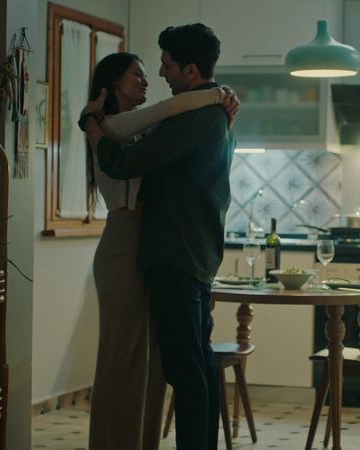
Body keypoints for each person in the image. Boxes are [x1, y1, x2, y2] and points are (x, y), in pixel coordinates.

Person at [83, 23, 235, 450]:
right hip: (163, 250)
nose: (158, 75)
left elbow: (125, 160)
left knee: (183, 368)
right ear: (113, 84)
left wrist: (216, 95)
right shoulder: (171, 117)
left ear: (190, 70)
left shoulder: (190, 117)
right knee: (175, 363)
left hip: (174, 252)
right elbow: (126, 145)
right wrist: (92, 121)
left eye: (166, 66)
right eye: (141, 72)